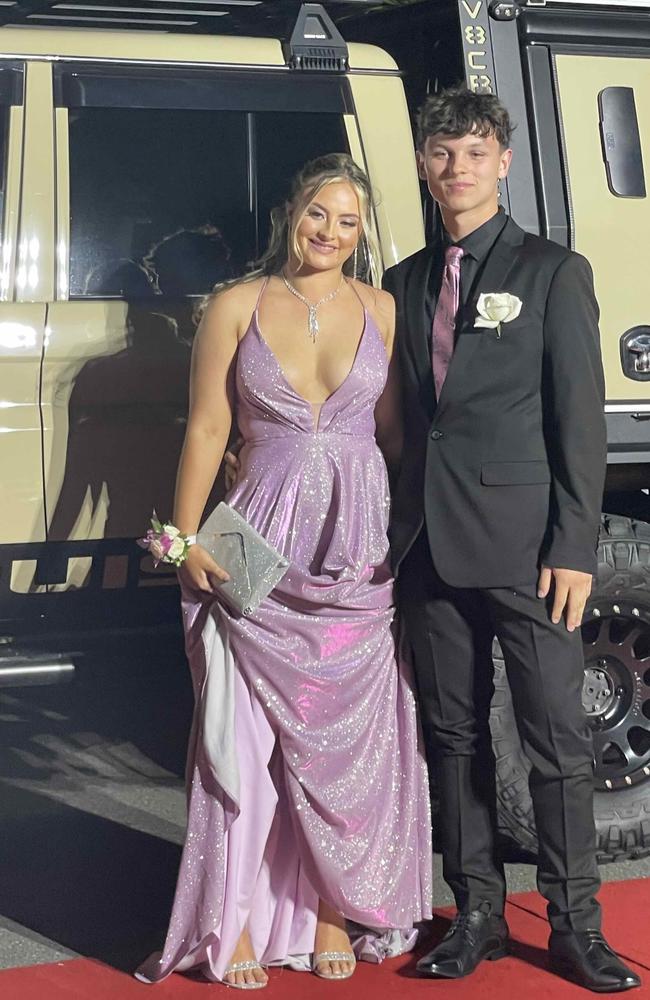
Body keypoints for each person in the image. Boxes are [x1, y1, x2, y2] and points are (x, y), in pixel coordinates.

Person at [136, 153, 432, 990]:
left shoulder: (382, 309)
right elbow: (204, 431)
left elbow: (397, 439)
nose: (330, 233)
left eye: (347, 220)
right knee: (239, 739)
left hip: (355, 547)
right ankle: (231, 921)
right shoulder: (235, 305)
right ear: (289, 214)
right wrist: (181, 541)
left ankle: (332, 909)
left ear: (363, 229)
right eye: (317, 214)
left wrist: (411, 541)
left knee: (340, 746)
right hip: (250, 539)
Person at [383, 85, 641, 993]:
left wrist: (573, 544)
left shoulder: (551, 272)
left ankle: (575, 926)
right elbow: (410, 422)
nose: (458, 168)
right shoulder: (405, 280)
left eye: (474, 152)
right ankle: (478, 914)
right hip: (428, 548)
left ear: (503, 162)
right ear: (425, 165)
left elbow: (580, 422)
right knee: (451, 741)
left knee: (556, 743)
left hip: (531, 549)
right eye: (442, 153)